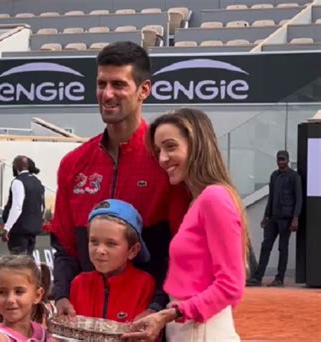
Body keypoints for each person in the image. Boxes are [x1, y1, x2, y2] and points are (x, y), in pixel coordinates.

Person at [50, 41, 190, 319]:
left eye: (119, 84)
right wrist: (62, 293)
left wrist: (155, 307)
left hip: (148, 324)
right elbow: (64, 245)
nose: (107, 94)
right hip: (86, 322)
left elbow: (181, 248)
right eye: (101, 84)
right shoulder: (73, 164)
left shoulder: (167, 163)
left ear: (144, 90)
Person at [123, 108, 247, 341]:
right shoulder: (199, 201)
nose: (162, 158)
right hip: (189, 327)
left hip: (201, 330)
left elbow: (231, 286)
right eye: (159, 150)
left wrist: (173, 313)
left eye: (171, 146)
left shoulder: (214, 198)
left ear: (197, 145)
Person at [69, 199, 155, 322]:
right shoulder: (78, 284)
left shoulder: (144, 284)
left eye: (111, 244)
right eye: (94, 241)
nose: (100, 250)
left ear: (133, 251)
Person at [246, 150, 302, 287]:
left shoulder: (294, 177)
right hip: (273, 218)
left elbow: (299, 199)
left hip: (286, 219)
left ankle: (279, 278)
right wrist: (266, 216)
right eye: (278, 159)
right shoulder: (274, 176)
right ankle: (258, 277)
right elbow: (271, 198)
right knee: (266, 246)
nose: (280, 162)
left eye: (283, 159)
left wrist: (295, 218)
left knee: (283, 248)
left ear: (288, 160)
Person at [0, 254, 51, 341]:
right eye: (2, 292)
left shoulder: (42, 333)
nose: (10, 299)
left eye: (19, 292)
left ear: (37, 295)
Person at [2, 155, 45, 255]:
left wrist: (7, 228)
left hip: (19, 230)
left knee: (18, 262)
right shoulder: (37, 182)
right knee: (28, 259)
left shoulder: (18, 182)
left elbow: (17, 207)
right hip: (33, 229)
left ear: (17, 167)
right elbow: (42, 207)